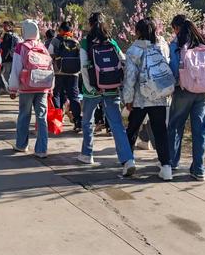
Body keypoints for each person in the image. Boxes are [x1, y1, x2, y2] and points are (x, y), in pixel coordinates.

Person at [79, 12, 136, 176]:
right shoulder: (111, 41)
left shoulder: (85, 42)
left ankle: (87, 153)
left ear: (90, 25)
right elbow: (123, 61)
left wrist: (90, 88)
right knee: (117, 125)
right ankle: (127, 160)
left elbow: (84, 67)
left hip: (92, 90)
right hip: (111, 87)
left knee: (87, 121)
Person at [122, 17, 174, 181]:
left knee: (132, 130)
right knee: (160, 131)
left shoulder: (133, 50)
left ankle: (129, 161)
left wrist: (128, 99)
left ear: (137, 32)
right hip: (159, 97)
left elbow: (130, 77)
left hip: (140, 98)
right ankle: (166, 167)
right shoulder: (162, 46)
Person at [168, 14, 205, 181]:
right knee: (201, 130)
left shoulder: (176, 45)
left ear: (177, 28)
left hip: (183, 90)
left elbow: (173, 69)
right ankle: (199, 169)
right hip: (203, 92)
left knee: (175, 126)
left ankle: (172, 162)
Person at [8, 19, 53, 157]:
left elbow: (16, 68)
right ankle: (42, 149)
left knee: (24, 116)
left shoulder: (21, 46)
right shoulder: (42, 46)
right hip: (43, 87)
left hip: (27, 87)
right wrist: (51, 87)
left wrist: (13, 88)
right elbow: (50, 67)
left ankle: (22, 145)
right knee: (42, 117)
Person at [48, 21, 82, 132]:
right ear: (71, 30)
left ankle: (57, 123)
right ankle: (78, 122)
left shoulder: (56, 40)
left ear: (61, 30)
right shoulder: (76, 41)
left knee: (56, 95)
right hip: (74, 73)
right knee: (74, 96)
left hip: (59, 73)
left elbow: (49, 55)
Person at [0, 21, 20, 93]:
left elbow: (5, 47)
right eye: (4, 26)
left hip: (7, 57)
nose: (4, 27)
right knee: (13, 74)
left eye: (5, 26)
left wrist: (3, 57)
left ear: (10, 26)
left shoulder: (7, 35)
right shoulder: (15, 35)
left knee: (6, 74)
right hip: (14, 57)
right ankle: (14, 88)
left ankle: (10, 88)